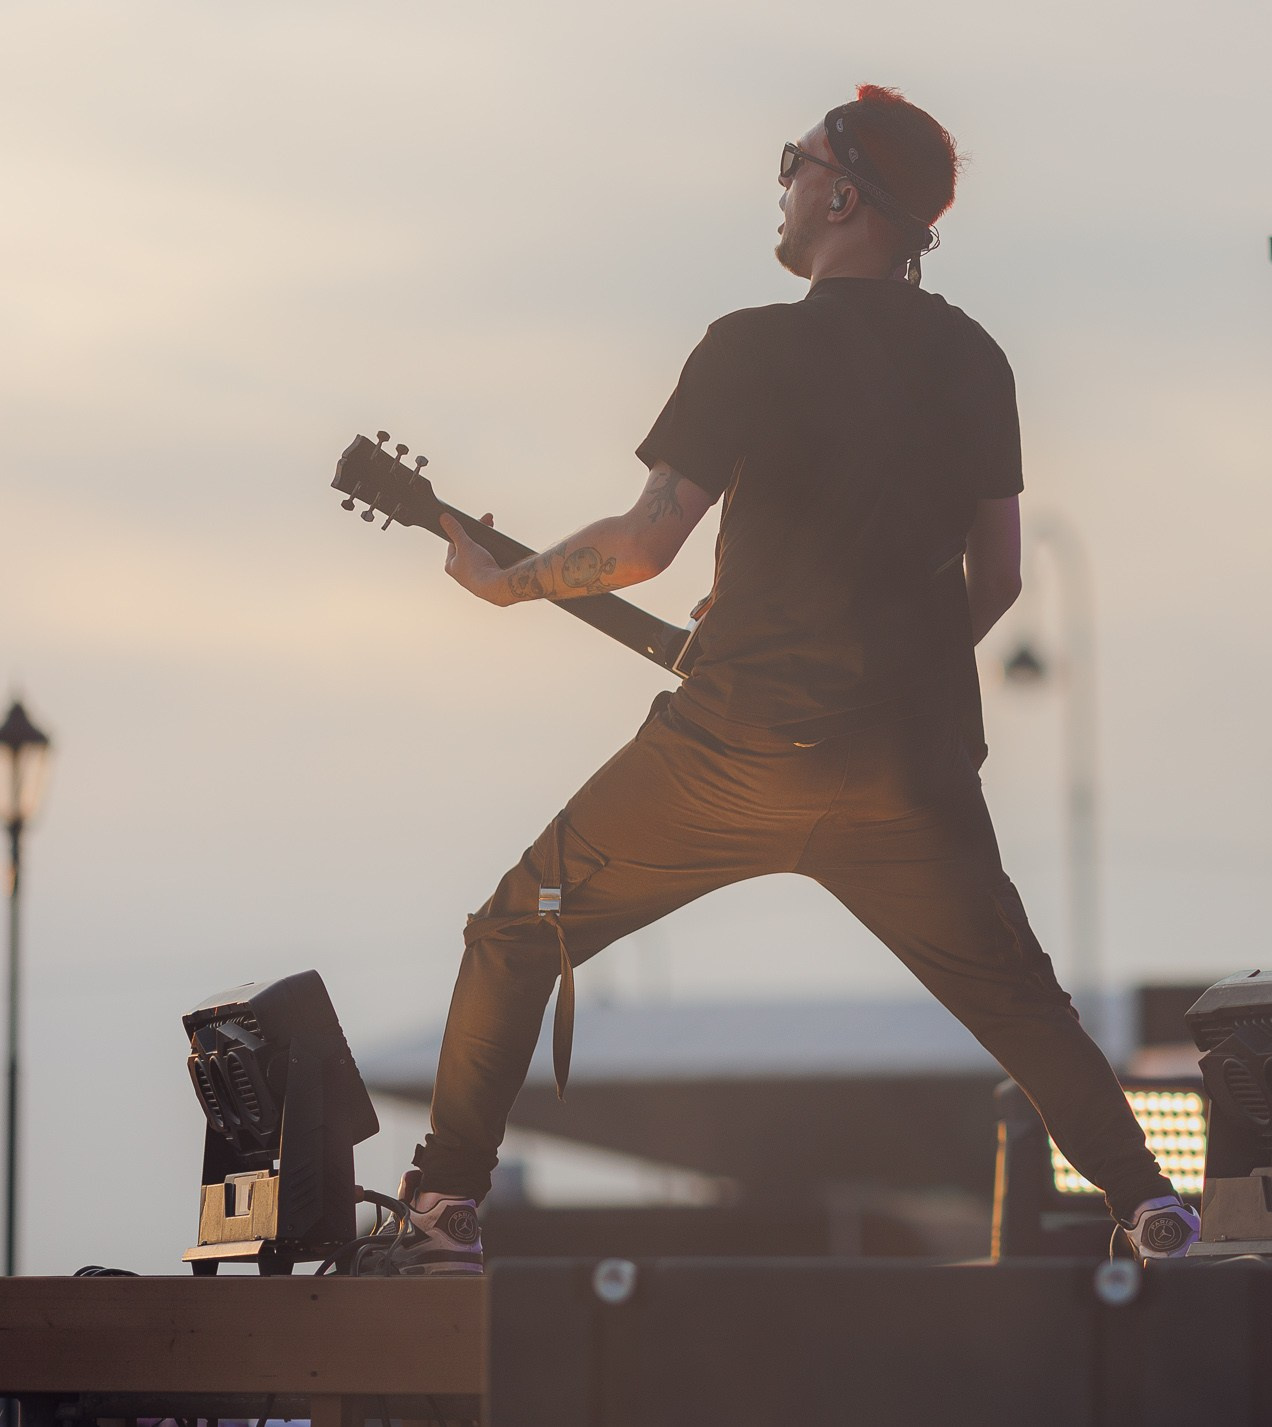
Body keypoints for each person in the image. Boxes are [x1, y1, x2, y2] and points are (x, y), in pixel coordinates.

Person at [381, 85, 1196, 1272]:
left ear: (842, 194)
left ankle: (446, 1202)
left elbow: (645, 543)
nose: (782, 182)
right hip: (907, 775)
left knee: (515, 931)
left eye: (794, 162)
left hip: (730, 755)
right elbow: (1003, 573)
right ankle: (1152, 1207)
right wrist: (896, 674)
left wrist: (509, 583)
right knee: (1024, 1006)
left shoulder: (750, 347)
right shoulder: (973, 356)